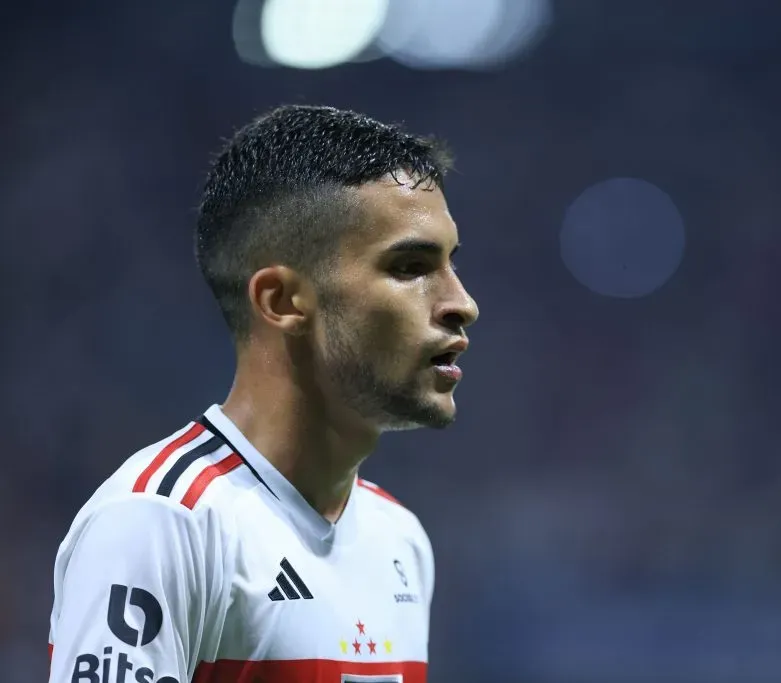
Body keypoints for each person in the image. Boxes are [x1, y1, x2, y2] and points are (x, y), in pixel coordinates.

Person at [47, 105, 479, 683]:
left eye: (450, 263)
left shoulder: (399, 538)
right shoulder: (163, 521)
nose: (462, 303)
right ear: (281, 301)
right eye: (410, 266)